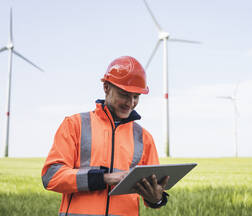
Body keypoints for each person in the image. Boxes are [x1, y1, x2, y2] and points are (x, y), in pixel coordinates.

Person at [41, 56, 169, 216]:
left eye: (136, 96)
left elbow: (150, 190)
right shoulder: (75, 124)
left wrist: (156, 199)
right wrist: (106, 178)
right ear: (106, 87)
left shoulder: (144, 137)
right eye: (124, 94)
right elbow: (51, 177)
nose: (130, 103)